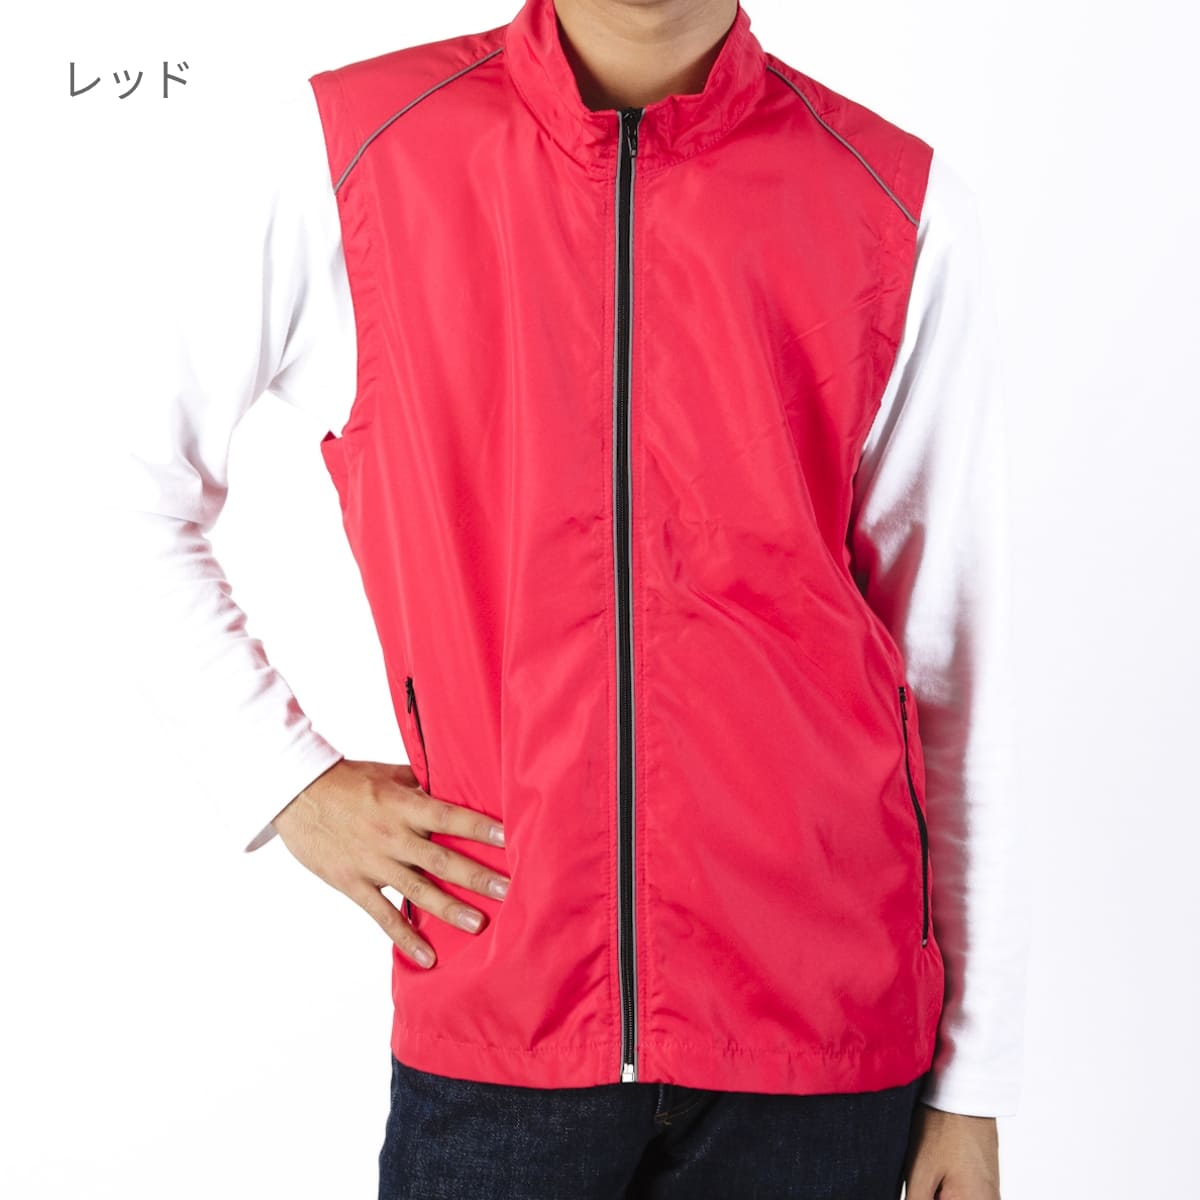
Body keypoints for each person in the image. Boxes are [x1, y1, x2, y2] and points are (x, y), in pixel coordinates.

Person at [112, 0, 1031, 1195]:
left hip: (823, 1040)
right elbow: (118, 489)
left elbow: (954, 656)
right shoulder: (350, 154)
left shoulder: (896, 202)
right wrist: (285, 781)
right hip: (505, 1016)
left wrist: (973, 1082)